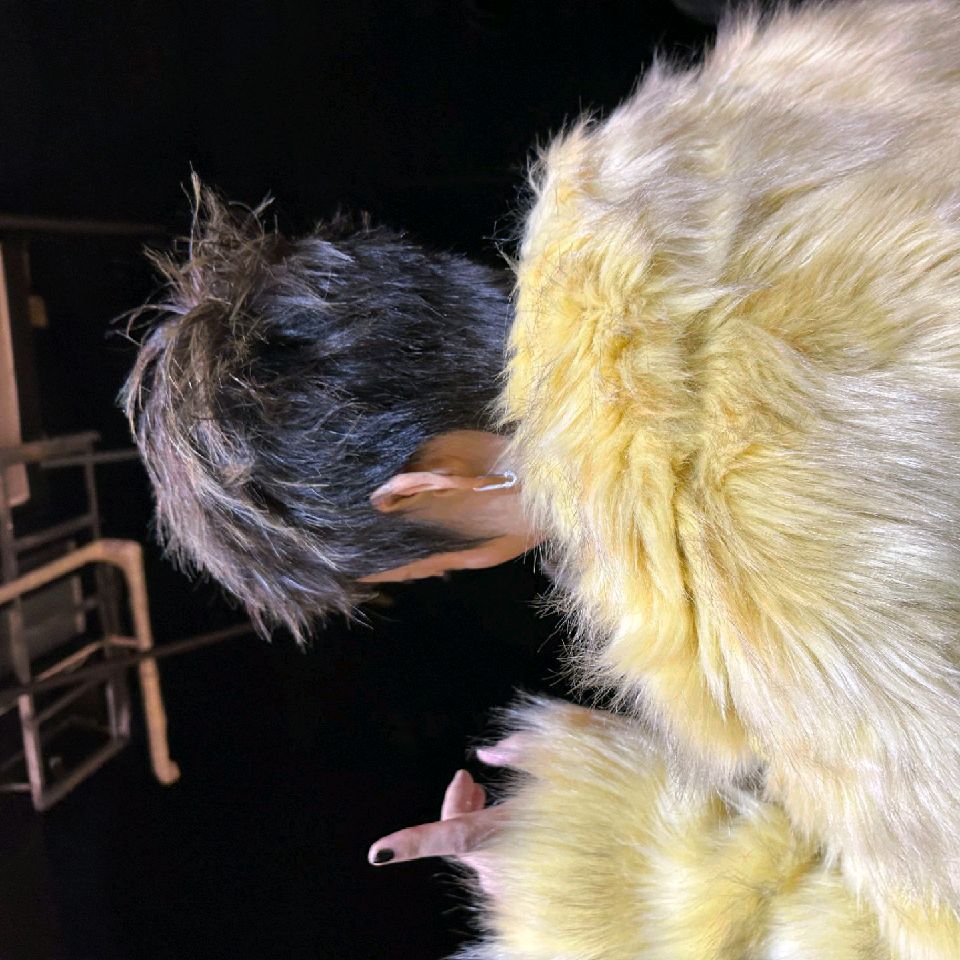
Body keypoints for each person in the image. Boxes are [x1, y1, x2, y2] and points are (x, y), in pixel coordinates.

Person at [125, 2, 960, 956]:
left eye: (421, 570)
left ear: (426, 486)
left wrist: (608, 874)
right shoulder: (752, 110)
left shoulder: (757, 577)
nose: (445, 575)